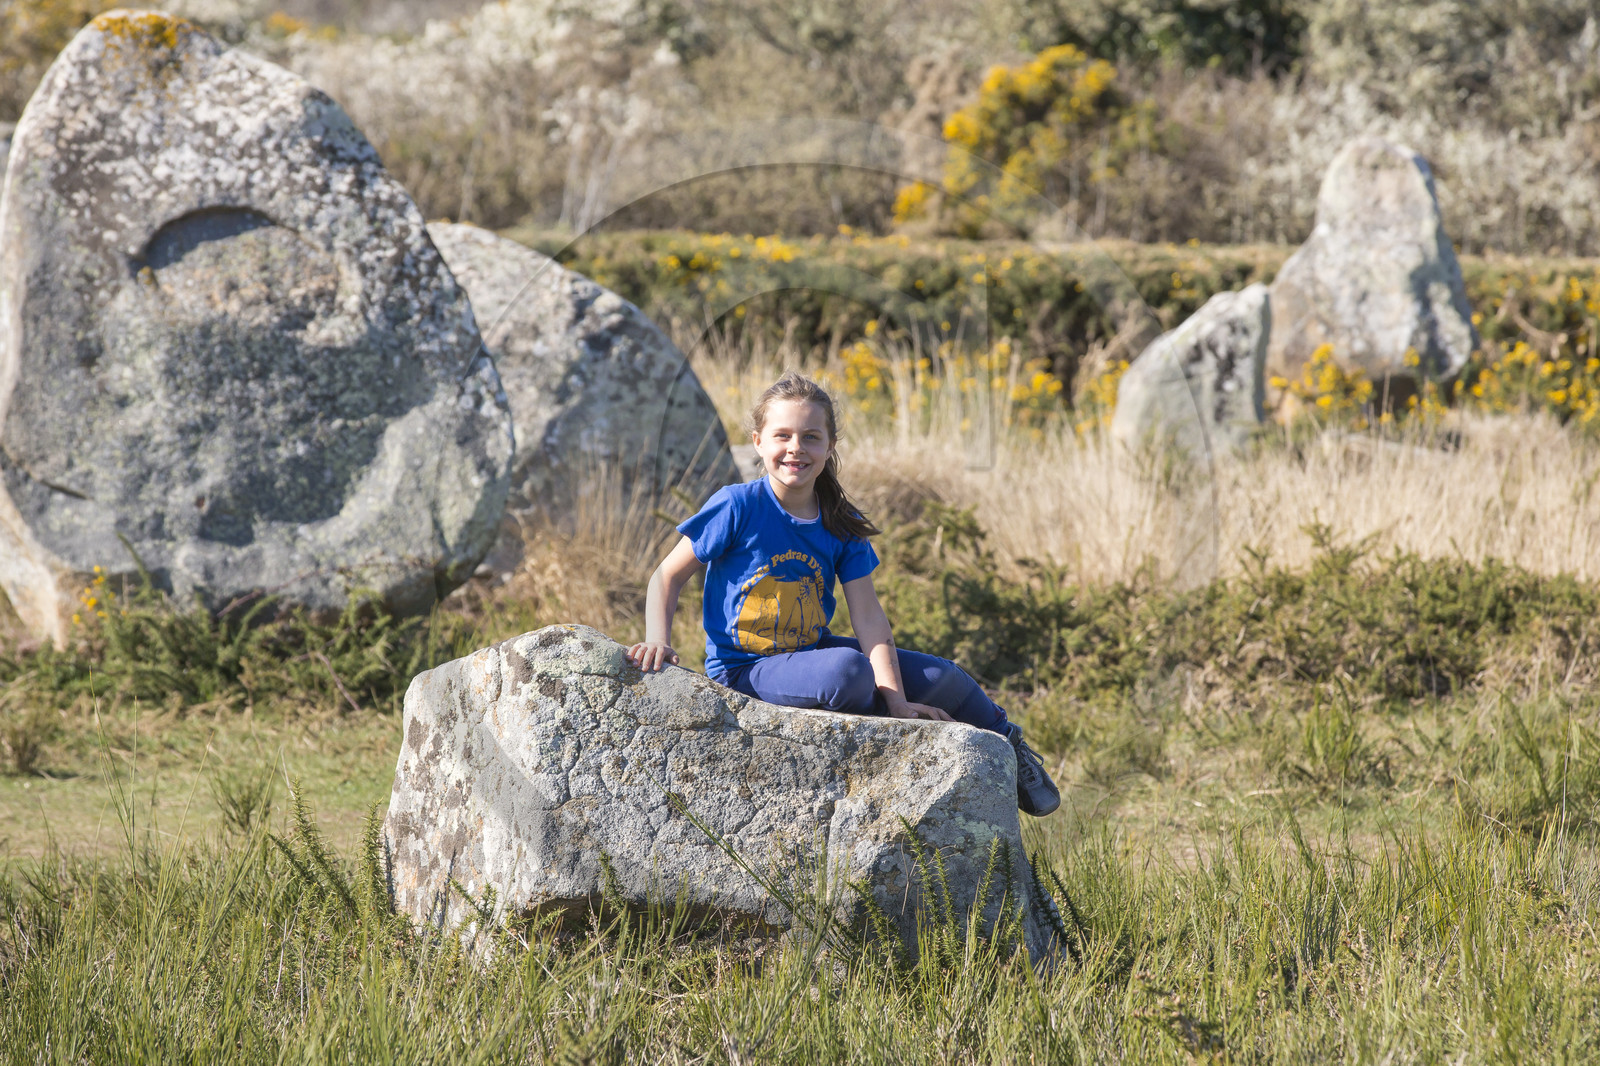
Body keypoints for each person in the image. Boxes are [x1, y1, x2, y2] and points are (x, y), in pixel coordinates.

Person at [625, 371, 1061, 817]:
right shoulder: (737, 505)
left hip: (811, 653)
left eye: (811, 437)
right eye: (783, 435)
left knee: (942, 677)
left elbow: (869, 620)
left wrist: (897, 698)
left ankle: (1009, 747)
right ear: (758, 442)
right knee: (848, 674)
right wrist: (658, 638)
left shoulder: (839, 521)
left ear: (830, 446)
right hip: (745, 671)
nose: (796, 447)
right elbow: (666, 576)